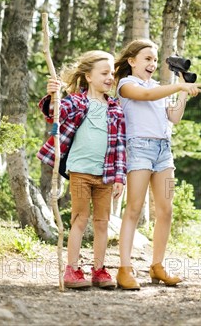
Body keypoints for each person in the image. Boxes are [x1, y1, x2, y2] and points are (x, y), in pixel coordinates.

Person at [114, 39, 201, 289]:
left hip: (163, 151)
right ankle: (124, 269)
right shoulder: (126, 85)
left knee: (166, 209)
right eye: (147, 59)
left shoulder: (159, 87)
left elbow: (174, 118)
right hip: (139, 149)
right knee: (133, 209)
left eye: (154, 60)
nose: (152, 64)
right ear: (132, 61)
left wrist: (183, 91)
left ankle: (157, 266)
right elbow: (147, 95)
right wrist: (176, 87)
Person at [37, 50, 126, 289]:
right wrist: (53, 96)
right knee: (79, 218)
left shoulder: (115, 109)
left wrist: (119, 177)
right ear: (88, 76)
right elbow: (56, 113)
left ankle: (99, 269)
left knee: (102, 222)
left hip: (105, 175)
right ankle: (72, 269)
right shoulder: (77, 101)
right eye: (104, 73)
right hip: (80, 172)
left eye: (112, 74)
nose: (110, 78)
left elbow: (119, 146)